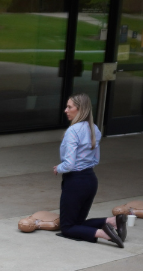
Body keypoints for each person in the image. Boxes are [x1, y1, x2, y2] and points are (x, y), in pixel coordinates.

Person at [53, 93, 123, 248]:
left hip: (75, 181)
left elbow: (69, 164)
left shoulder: (73, 131)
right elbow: (96, 159)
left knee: (67, 227)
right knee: (78, 223)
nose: (66, 110)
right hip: (90, 179)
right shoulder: (94, 129)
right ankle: (111, 221)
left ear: (80, 109)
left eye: (70, 107)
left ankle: (104, 234)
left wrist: (59, 168)